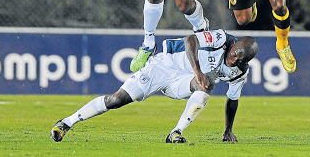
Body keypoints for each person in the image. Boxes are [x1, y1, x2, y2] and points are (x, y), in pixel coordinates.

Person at [51, 29, 258, 144]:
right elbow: (191, 40)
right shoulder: (221, 38)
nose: (232, 62)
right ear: (234, 45)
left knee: (206, 86)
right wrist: (198, 71)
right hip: (163, 65)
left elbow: (233, 99)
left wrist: (227, 130)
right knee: (116, 100)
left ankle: (176, 132)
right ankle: (66, 123)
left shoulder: (240, 71)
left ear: (246, 61)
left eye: (239, 61)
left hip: (182, 82)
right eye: (233, 55)